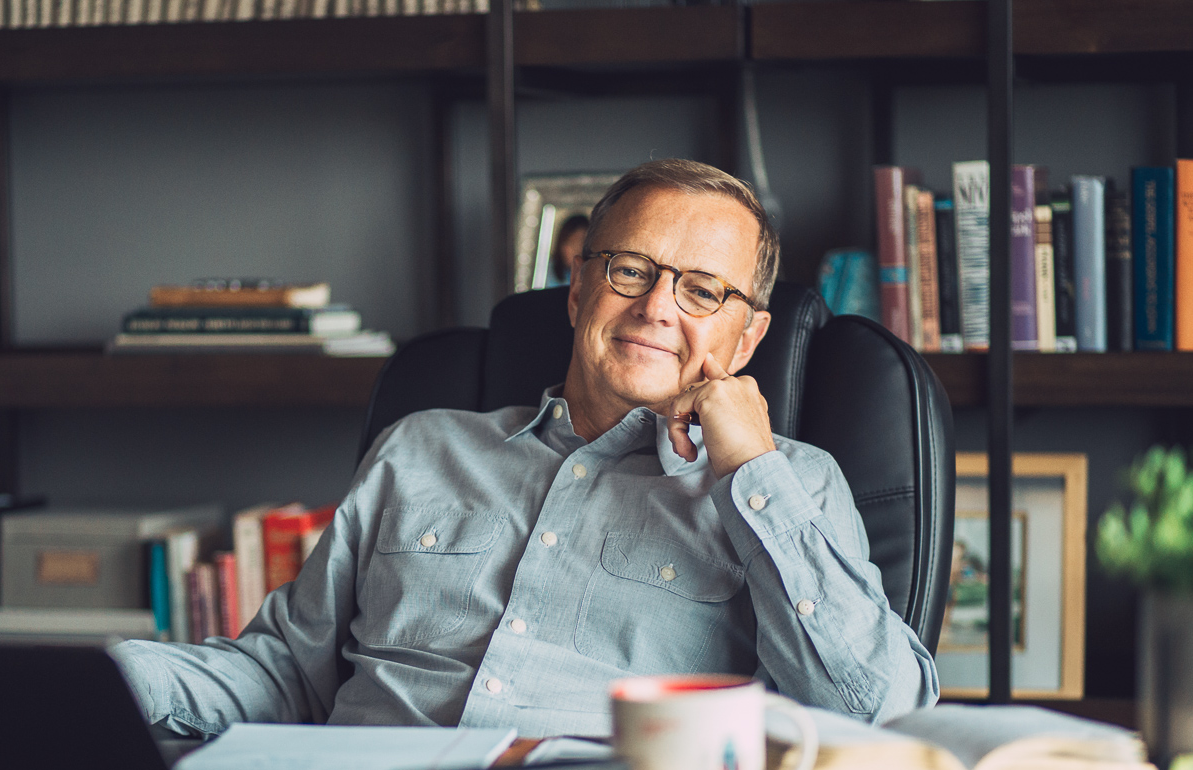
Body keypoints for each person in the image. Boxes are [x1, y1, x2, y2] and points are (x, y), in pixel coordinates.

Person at [114, 158, 939, 738]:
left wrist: (750, 472)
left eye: (702, 291)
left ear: (750, 335)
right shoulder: (420, 451)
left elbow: (878, 713)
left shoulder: (793, 485)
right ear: (578, 287)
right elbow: (287, 674)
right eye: (631, 271)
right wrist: (101, 683)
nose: (658, 307)